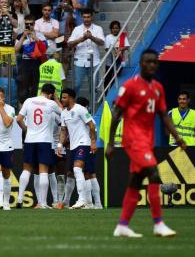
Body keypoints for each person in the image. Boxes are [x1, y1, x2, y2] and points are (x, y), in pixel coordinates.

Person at [106, 49, 186, 238]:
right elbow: (117, 114)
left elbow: (164, 115)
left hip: (147, 140)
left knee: (135, 181)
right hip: (133, 139)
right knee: (153, 172)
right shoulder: (129, 86)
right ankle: (158, 223)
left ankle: (122, 225)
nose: (152, 65)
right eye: (148, 62)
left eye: (155, 62)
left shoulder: (158, 87)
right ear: (141, 64)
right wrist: (110, 143)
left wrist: (178, 136)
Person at [16, 83, 62, 209]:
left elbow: (18, 119)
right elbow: (64, 113)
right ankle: (42, 203)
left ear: (41, 90)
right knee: (43, 171)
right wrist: (57, 100)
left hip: (30, 139)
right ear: (51, 94)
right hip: (45, 141)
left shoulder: (29, 101)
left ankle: (20, 198)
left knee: (27, 169)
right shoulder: (51, 104)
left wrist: (27, 130)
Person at [56, 88, 97, 209]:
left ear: (71, 98)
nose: (62, 100)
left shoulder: (80, 109)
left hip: (84, 143)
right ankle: (76, 201)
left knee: (77, 169)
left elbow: (91, 125)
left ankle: (82, 199)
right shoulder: (64, 113)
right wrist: (59, 145)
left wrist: (93, 142)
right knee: (72, 172)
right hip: (73, 146)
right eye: (62, 97)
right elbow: (64, 131)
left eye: (64, 97)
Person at [68, 8, 104, 98]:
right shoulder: (77, 29)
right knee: (77, 84)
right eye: (84, 17)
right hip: (79, 61)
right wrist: (82, 39)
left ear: (92, 17)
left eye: (88, 17)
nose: (86, 19)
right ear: (82, 17)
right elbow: (69, 44)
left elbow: (102, 42)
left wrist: (91, 37)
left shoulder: (98, 28)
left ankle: (92, 107)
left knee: (93, 86)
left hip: (94, 61)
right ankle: (74, 105)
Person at [76, 96, 102, 209]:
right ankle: (93, 203)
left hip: (88, 147)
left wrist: (92, 144)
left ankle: (94, 203)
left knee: (89, 174)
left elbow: (93, 132)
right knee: (89, 174)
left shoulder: (87, 117)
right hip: (86, 146)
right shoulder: (82, 116)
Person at [15, 14, 47, 104]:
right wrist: (23, 37)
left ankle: (35, 105)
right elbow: (16, 49)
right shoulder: (20, 35)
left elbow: (44, 49)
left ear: (34, 24)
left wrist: (36, 38)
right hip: (24, 62)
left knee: (35, 85)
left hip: (37, 62)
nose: (29, 26)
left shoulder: (40, 35)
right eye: (27, 24)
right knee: (23, 86)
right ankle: (23, 106)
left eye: (31, 24)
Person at [104, 20, 130, 91]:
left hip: (120, 61)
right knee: (108, 79)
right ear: (111, 29)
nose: (115, 30)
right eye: (113, 28)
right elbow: (106, 49)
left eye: (117, 28)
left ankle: (113, 91)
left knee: (116, 77)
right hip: (110, 62)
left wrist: (120, 48)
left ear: (119, 28)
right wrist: (115, 50)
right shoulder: (108, 37)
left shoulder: (122, 36)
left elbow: (127, 46)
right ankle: (106, 95)